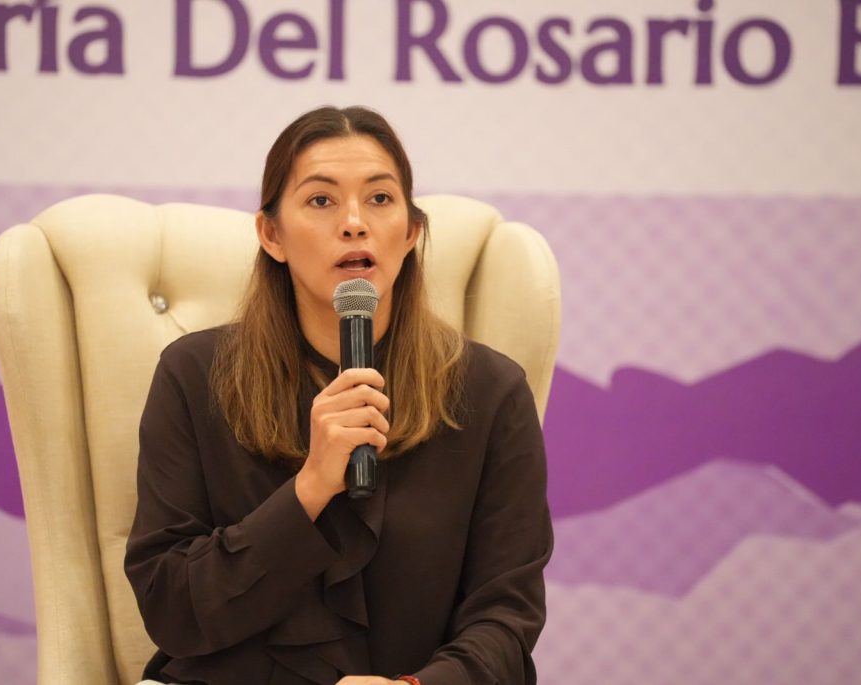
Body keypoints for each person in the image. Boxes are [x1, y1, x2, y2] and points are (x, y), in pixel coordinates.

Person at [124, 105, 552, 685]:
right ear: (271, 235)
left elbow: (506, 616)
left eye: (380, 198)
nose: (354, 223)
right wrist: (310, 486)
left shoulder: (491, 392)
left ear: (411, 233)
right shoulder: (195, 375)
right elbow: (171, 608)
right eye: (321, 200)